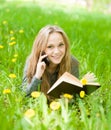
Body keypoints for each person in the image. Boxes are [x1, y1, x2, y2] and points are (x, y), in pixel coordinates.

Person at [22, 25, 79, 100]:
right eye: (50, 47)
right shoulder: (32, 62)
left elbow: (75, 97)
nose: (57, 51)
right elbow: (25, 97)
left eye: (61, 45)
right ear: (41, 49)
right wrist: (37, 76)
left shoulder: (72, 62)